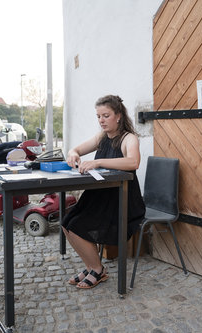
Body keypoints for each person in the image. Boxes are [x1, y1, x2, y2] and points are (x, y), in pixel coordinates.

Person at [62, 95, 146, 289]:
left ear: (118, 116)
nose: (101, 120)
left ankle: (98, 270)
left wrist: (98, 162)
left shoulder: (129, 138)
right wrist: (73, 153)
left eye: (106, 115)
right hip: (100, 196)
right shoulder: (102, 137)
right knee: (66, 223)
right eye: (98, 116)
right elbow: (75, 149)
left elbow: (133, 162)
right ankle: (91, 266)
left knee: (76, 226)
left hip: (121, 199)